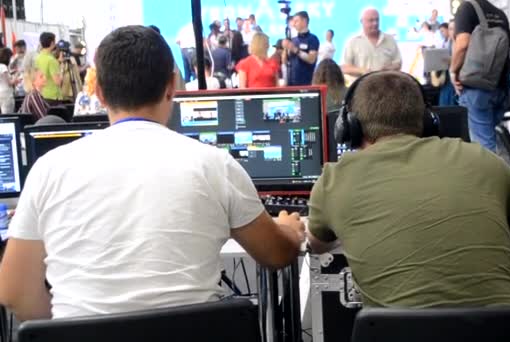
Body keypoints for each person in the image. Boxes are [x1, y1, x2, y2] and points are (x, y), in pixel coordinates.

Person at [0, 25, 304, 321]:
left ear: (100, 93)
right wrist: (290, 230)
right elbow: (276, 255)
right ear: (172, 86)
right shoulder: (214, 164)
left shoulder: (48, 170)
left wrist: (72, 330)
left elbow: (14, 293)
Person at [307, 71, 510, 308]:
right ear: (427, 121)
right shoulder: (483, 161)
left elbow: (317, 245)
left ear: (350, 128)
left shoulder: (334, 180)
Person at [451, 0, 510, 152]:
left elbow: (463, 44)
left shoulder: (466, 8)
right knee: (488, 137)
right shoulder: (500, 14)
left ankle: (493, 175)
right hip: (502, 88)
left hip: (477, 89)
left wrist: (453, 71)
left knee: (484, 148)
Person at [341, 8, 402, 82]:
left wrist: (387, 69)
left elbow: (398, 63)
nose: (375, 23)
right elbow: (344, 67)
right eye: (371, 20)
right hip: (361, 88)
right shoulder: (353, 42)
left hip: (387, 87)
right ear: (362, 21)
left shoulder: (390, 40)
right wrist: (362, 71)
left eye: (377, 20)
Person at [283, 11, 319, 86]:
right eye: (293, 22)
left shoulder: (312, 39)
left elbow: (311, 59)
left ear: (304, 21)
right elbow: (285, 61)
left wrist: (295, 50)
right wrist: (285, 49)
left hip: (306, 82)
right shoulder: (293, 40)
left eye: (296, 21)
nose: (294, 24)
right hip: (291, 83)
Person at [35, 32, 63, 103]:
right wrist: (61, 69)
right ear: (52, 43)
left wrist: (58, 62)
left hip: (41, 94)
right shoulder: (51, 60)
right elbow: (58, 82)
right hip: (53, 96)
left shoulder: (38, 57)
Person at [0, 48, 15, 113]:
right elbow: (9, 83)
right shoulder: (3, 67)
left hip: (1, 92)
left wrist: (11, 73)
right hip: (7, 94)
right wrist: (17, 77)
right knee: (8, 114)